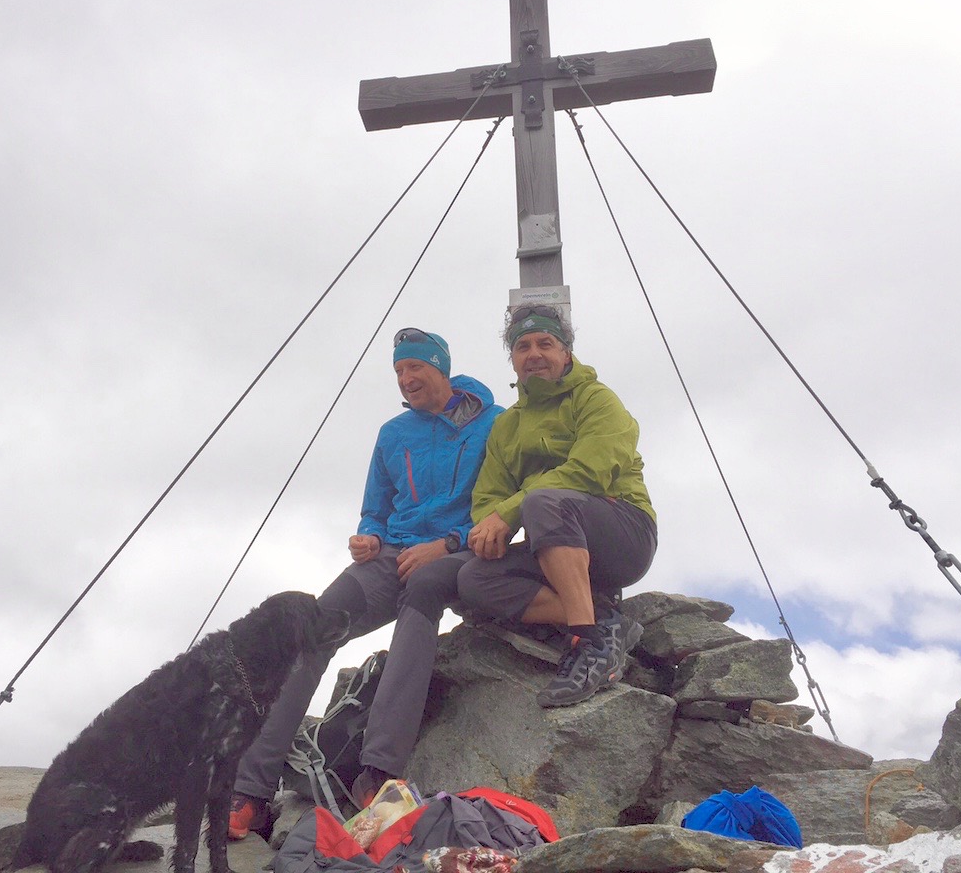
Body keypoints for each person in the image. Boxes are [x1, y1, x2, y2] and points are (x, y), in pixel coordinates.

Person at [228, 329, 503, 838]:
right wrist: (369, 539)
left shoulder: (493, 424)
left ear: (440, 367)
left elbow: (503, 504)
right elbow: (375, 510)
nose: (406, 378)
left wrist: (446, 543)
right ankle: (249, 791)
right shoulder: (393, 433)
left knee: (416, 620)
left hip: (454, 554)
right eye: (399, 371)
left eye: (414, 368)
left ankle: (378, 775)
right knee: (312, 627)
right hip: (391, 558)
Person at [461, 304, 657, 708]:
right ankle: (605, 623)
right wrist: (490, 528)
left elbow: (590, 471)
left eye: (545, 343)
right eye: (522, 346)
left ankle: (590, 647)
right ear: (513, 359)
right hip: (553, 540)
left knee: (542, 501)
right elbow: (487, 499)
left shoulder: (598, 399)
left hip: (623, 531)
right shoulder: (507, 425)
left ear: (566, 352)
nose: (533, 353)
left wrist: (513, 510)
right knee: (472, 579)